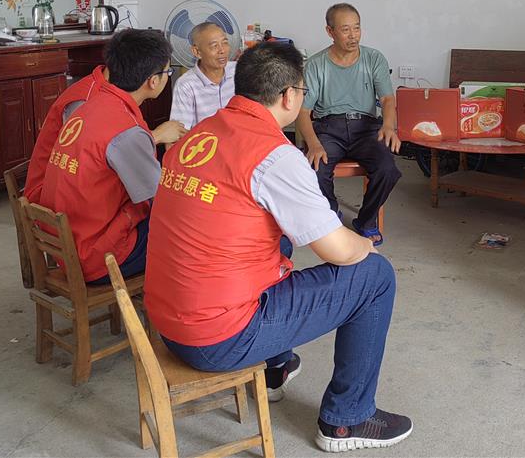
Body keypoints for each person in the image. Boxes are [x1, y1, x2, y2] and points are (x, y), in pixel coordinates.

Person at [145, 42, 412, 452]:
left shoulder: (201, 133)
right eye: (302, 91)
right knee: (374, 276)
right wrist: (364, 243)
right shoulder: (275, 156)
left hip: (169, 320)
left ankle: (274, 367)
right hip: (217, 338)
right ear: (288, 96)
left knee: (277, 237)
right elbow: (338, 250)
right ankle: (347, 420)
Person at [40, 29, 175, 283]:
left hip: (66, 244)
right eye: (168, 72)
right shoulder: (126, 130)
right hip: (96, 258)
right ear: (153, 81)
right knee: (182, 226)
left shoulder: (89, 105)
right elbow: (160, 198)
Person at [296, 3, 401, 246]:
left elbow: (387, 99)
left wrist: (388, 126)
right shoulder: (316, 64)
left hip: (366, 128)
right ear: (330, 31)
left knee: (387, 168)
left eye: (357, 28)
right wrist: (313, 144)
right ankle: (331, 212)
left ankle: (366, 221)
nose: (353, 35)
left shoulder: (373, 58)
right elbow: (303, 112)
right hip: (329, 129)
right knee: (314, 168)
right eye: (345, 29)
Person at [26, 65, 186, 206]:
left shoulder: (108, 92)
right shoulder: (88, 99)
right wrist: (155, 136)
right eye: (168, 72)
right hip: (55, 200)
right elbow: (102, 147)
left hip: (70, 192)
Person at [169, 21, 238, 130]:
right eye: (214, 46)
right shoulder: (186, 85)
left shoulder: (238, 71)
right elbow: (179, 132)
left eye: (225, 43)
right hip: (206, 140)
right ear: (197, 52)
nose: (222, 50)